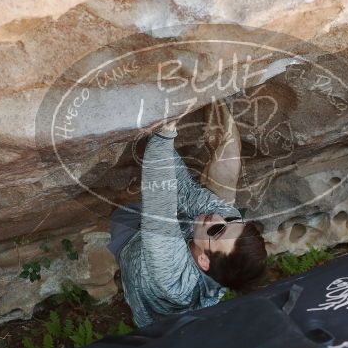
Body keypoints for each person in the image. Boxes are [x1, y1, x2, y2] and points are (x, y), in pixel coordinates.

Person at [107, 101, 267, 328]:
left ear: (203, 260)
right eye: (232, 222)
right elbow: (186, 190)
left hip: (138, 247)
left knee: (123, 206)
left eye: (218, 230)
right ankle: (218, 111)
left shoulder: (172, 277)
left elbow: (159, 197)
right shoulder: (225, 233)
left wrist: (164, 128)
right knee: (221, 191)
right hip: (178, 236)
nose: (218, 218)